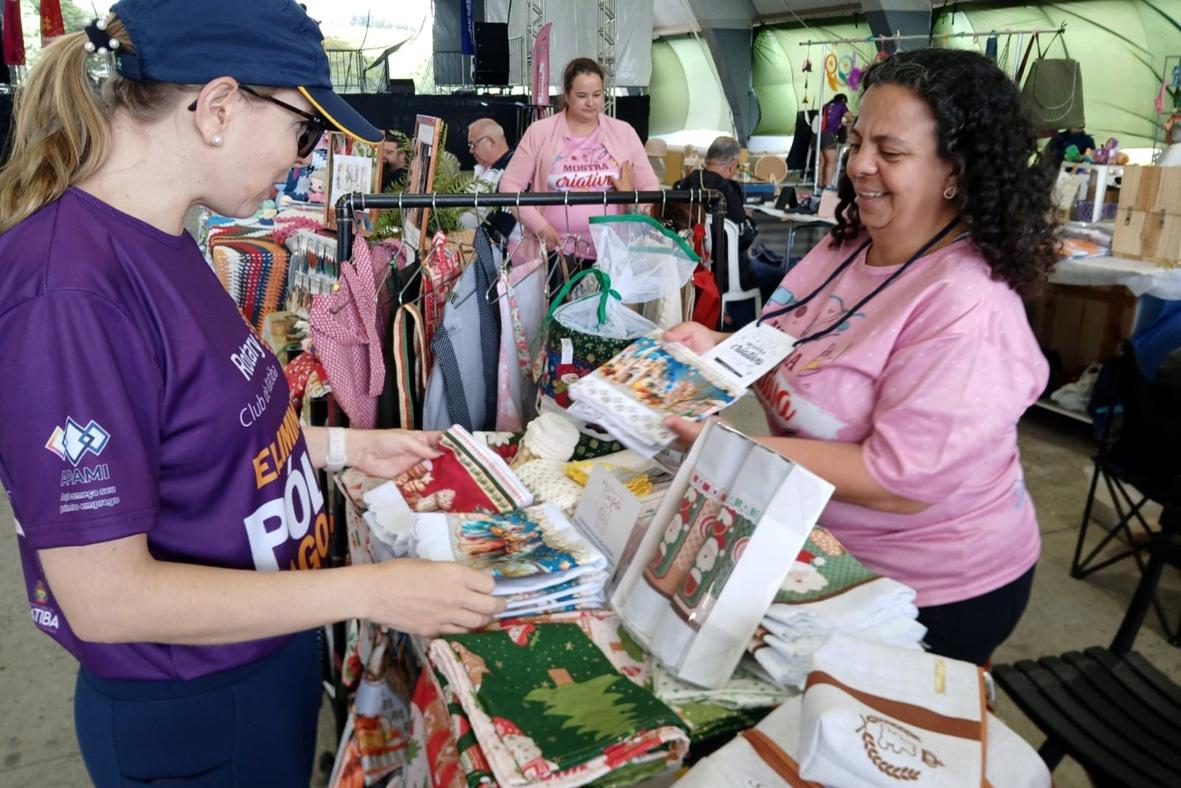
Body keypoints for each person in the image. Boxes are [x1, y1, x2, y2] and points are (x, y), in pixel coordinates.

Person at [0, 2, 504, 785]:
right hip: (191, 705)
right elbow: (106, 598)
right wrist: (374, 591)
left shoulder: (166, 239)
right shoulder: (68, 294)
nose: (301, 160)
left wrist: (347, 446)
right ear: (220, 107)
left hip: (261, 660)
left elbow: (206, 436)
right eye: (303, 131)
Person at [664, 48, 1058, 666]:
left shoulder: (967, 306)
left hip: (921, 590)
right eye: (855, 141)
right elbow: (798, 346)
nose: (859, 166)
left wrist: (734, 453)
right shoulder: (848, 244)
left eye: (890, 152)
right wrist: (718, 349)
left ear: (955, 169)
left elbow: (899, 480)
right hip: (817, 544)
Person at [499, 57, 659, 260]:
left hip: (614, 251)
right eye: (582, 95)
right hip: (554, 251)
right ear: (567, 95)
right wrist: (540, 227)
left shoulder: (623, 132)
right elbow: (510, 185)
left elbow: (650, 185)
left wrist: (633, 206)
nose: (591, 103)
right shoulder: (539, 132)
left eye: (597, 95)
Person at [674, 136, 764, 319]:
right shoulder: (727, 191)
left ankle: (724, 314)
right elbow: (743, 239)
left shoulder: (683, 185)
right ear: (733, 165)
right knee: (780, 274)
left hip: (690, 270)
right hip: (727, 275)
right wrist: (749, 221)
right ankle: (747, 325)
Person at [461, 117, 518, 244]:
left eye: (473, 145)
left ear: (491, 142)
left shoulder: (513, 170)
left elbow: (499, 227)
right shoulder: (484, 167)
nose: (471, 151)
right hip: (470, 240)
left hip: (494, 249)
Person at [819, 93, 850, 188]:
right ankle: (828, 185)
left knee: (822, 161)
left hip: (818, 135)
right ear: (843, 100)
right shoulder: (841, 105)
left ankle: (819, 184)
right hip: (829, 135)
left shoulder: (826, 105)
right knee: (831, 162)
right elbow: (849, 117)